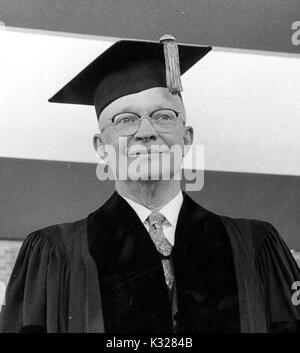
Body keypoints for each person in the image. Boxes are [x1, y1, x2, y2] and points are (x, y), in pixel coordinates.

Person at [0, 35, 300, 333]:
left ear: (186, 138)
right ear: (101, 147)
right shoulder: (55, 256)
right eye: (125, 120)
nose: (146, 131)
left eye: (163, 116)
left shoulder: (255, 247)